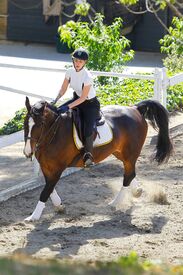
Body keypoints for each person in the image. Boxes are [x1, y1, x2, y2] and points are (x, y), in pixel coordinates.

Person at [51, 48, 100, 167]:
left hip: (89, 105)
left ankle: (88, 155)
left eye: (81, 61)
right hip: (76, 98)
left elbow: (83, 98)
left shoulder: (87, 76)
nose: (78, 63)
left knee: (88, 128)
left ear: (85, 63)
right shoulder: (69, 71)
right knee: (57, 113)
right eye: (76, 60)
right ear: (73, 61)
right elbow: (63, 89)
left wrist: (68, 107)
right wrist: (56, 100)